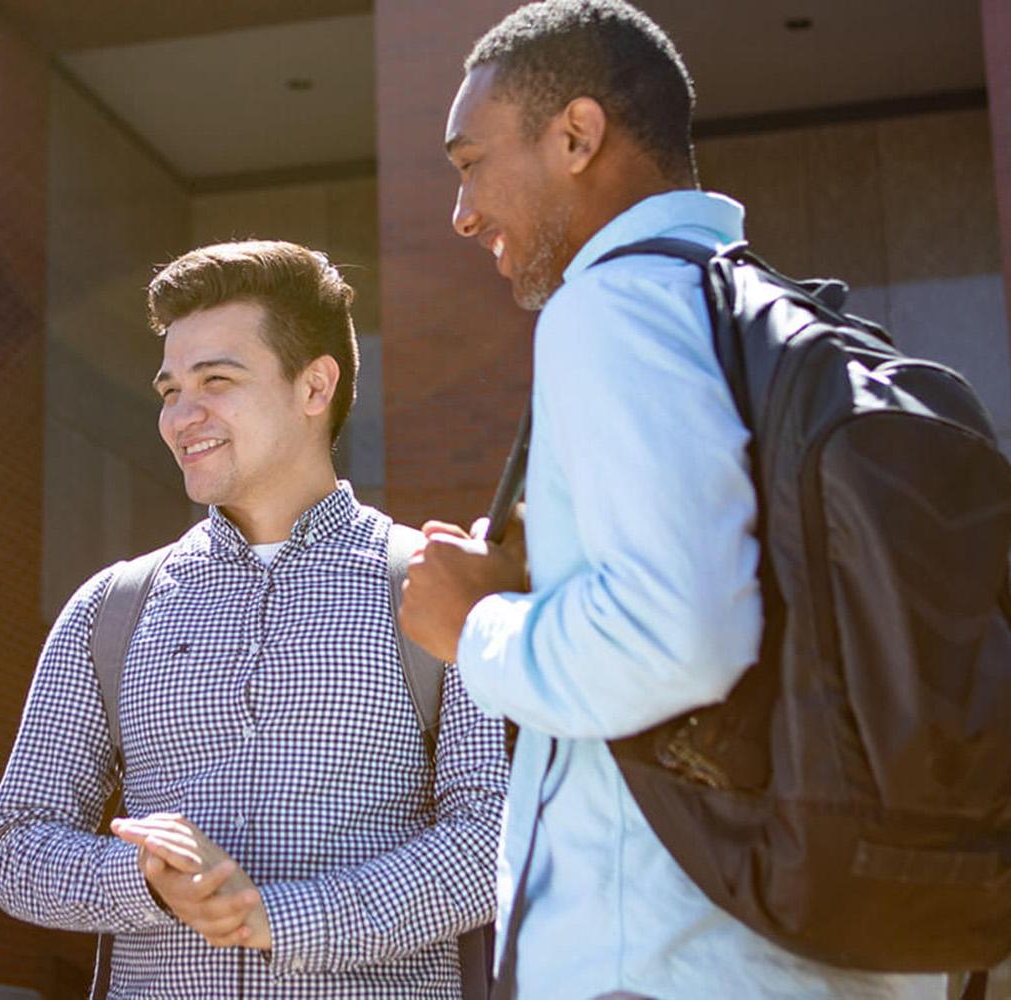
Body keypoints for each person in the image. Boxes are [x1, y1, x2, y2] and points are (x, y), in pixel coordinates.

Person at [396, 2, 946, 997]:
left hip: (660, 961)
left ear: (574, 135)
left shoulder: (610, 306)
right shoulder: (758, 318)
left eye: (470, 160)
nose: (461, 211)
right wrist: (545, 584)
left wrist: (474, 625)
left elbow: (674, 634)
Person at [0, 240, 507, 997]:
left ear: (314, 386)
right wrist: (142, 878)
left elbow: (490, 838)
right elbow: (17, 847)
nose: (181, 417)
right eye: (170, 390)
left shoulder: (436, 586)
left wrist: (276, 919)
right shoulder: (113, 607)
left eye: (216, 381)